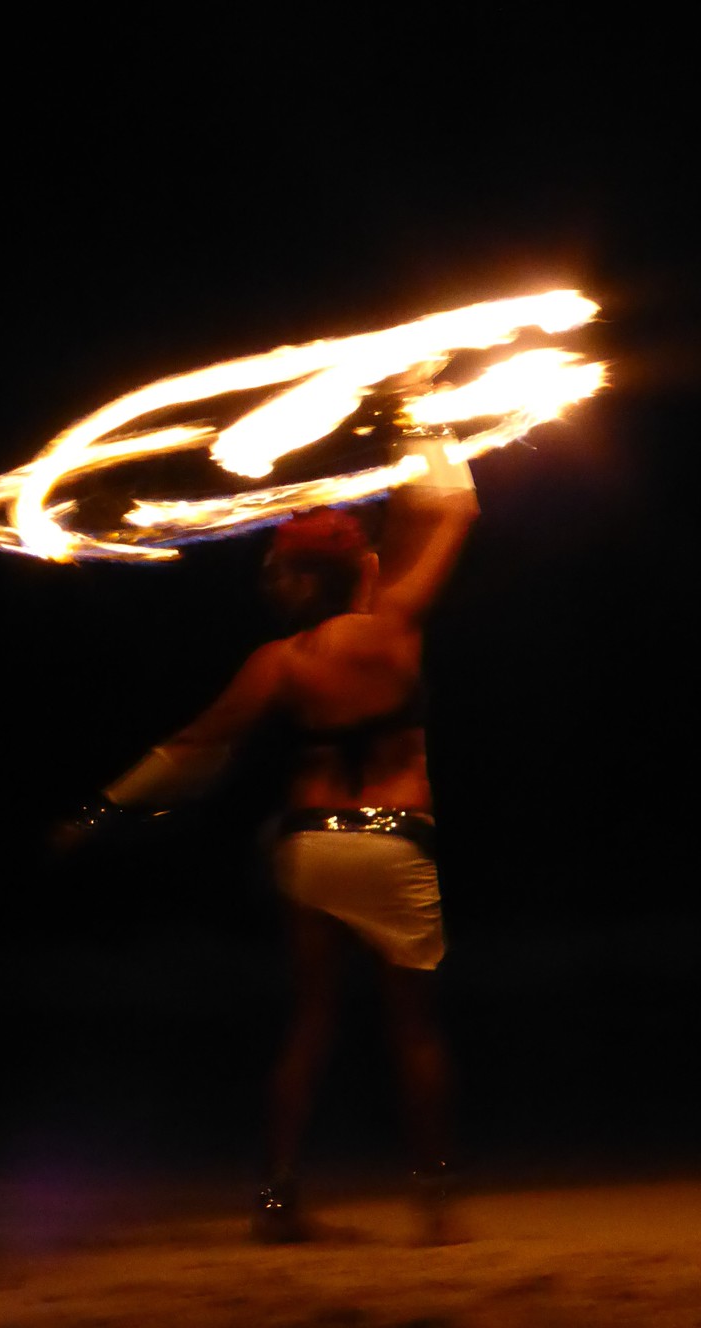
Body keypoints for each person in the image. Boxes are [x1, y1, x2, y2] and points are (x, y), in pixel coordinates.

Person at [65, 429, 480, 1242]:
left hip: (309, 843)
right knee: (413, 1029)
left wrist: (93, 817)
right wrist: (433, 428)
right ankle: (433, 1200)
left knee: (311, 1021)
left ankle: (277, 1196)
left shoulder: (278, 664)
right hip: (397, 839)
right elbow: (455, 509)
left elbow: (191, 749)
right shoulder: (395, 624)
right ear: (358, 567)